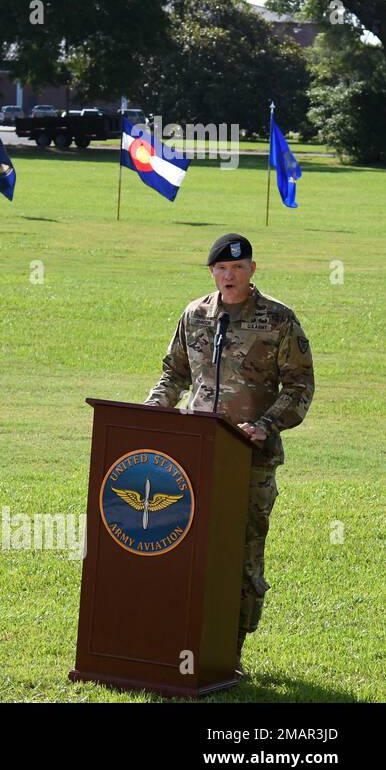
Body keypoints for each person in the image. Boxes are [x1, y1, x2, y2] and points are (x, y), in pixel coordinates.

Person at [144, 233, 315, 677]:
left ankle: (228, 652)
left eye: (238, 268)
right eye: (221, 269)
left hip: (248, 461)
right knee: (183, 550)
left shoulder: (278, 320)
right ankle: (176, 645)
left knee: (240, 554)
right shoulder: (195, 315)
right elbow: (174, 373)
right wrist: (150, 416)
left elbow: (299, 387)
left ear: (252, 270)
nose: (229, 275)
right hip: (191, 459)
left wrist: (265, 426)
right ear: (212, 273)